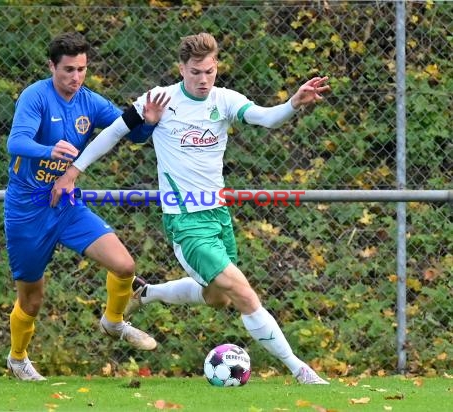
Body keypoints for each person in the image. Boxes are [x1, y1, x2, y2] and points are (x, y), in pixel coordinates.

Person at [54, 33, 331, 384]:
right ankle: (299, 369)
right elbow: (112, 133)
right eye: (196, 72)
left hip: (218, 216)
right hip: (185, 221)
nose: (203, 80)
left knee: (219, 299)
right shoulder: (160, 99)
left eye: (210, 72)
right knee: (244, 294)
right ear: (182, 68)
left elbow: (265, 118)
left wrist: (293, 102)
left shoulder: (225, 100)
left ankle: (147, 292)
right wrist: (74, 171)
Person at [4, 32, 170, 381]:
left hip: (65, 205)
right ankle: (18, 359)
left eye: (81, 69)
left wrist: (150, 120)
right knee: (32, 301)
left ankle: (113, 322)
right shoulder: (36, 97)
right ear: (52, 66)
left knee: (124, 265)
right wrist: (48, 151)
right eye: (68, 70)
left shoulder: (90, 101)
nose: (75, 77)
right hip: (27, 210)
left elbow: (132, 135)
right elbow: (16, 141)